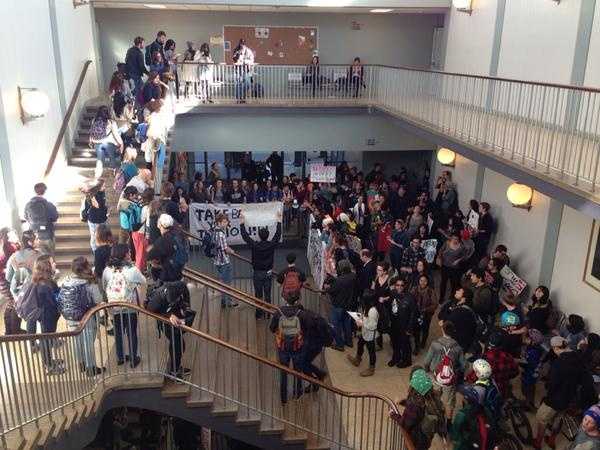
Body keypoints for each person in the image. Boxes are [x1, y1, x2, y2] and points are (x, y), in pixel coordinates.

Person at [534, 336, 597, 449]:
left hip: (554, 400)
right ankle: (552, 440)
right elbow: (586, 379)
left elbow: (552, 384)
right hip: (569, 398)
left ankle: (538, 442)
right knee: (558, 418)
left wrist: (548, 390)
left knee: (541, 418)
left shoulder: (558, 363)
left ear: (555, 348)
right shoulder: (578, 357)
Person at [58, 257, 104, 376]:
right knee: (88, 342)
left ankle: (81, 364)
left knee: (76, 341)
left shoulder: (66, 280)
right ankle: (91, 367)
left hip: (70, 317)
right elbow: (98, 299)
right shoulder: (89, 282)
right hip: (86, 316)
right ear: (86, 267)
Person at [103, 244, 147, 368]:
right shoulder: (131, 270)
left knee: (118, 332)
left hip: (114, 306)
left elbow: (104, 284)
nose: (129, 254)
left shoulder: (107, 270)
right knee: (131, 332)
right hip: (130, 305)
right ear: (125, 255)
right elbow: (143, 280)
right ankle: (133, 359)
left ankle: (120, 357)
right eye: (128, 252)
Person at [19, 255, 63, 374]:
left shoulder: (38, 280)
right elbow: (54, 302)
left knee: (46, 339)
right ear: (46, 267)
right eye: (52, 263)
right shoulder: (45, 285)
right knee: (46, 340)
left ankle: (48, 361)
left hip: (44, 315)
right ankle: (49, 366)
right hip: (47, 315)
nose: (55, 264)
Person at [146, 280, 193, 378]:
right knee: (177, 343)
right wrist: (168, 315)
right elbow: (149, 309)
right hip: (165, 318)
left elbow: (186, 299)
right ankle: (174, 371)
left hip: (176, 315)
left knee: (179, 344)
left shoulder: (182, 286)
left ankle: (175, 368)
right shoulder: (159, 297)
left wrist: (185, 309)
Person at [239, 211, 282, 318]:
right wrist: (279, 221)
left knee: (258, 295)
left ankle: (259, 314)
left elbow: (245, 237)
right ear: (268, 236)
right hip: (268, 273)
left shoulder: (255, 245)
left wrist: (242, 222)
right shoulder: (271, 245)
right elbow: (277, 235)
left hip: (257, 273)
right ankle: (268, 313)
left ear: (259, 235)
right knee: (268, 294)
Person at [393, 368, 447, 450]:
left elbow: (406, 424)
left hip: (416, 439)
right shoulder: (433, 397)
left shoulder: (414, 404)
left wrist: (393, 415)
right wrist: (404, 402)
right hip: (427, 438)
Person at [423, 321, 465, 423]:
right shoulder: (457, 348)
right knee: (449, 402)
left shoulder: (435, 344)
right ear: (453, 331)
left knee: (434, 398)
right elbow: (464, 365)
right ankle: (449, 424)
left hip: (435, 376)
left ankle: (436, 419)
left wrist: (427, 370)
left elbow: (426, 361)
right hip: (450, 379)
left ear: (442, 330)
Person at [269, 291, 306, 403]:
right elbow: (304, 327)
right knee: (298, 370)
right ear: (297, 300)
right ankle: (297, 393)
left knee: (283, 371)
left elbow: (272, 328)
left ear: (285, 300)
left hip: (283, 346)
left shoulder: (279, 312)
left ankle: (283, 397)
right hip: (297, 345)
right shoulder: (301, 312)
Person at [451, 384, 497, 450]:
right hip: (485, 443)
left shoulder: (462, 414)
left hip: (469, 444)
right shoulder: (485, 409)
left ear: (466, 399)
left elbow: (455, 434)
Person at [324, 259, 356, 351]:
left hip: (338, 306)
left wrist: (327, 288)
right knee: (347, 323)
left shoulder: (339, 280)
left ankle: (339, 344)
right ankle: (349, 341)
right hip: (349, 304)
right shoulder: (353, 276)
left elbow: (332, 291)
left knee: (336, 325)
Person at [147, 214, 188, 282]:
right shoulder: (178, 235)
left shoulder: (162, 240)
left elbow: (149, 256)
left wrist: (150, 250)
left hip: (167, 275)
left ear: (160, 225)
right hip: (179, 272)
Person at [347, 289, 379, 377]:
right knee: (360, 344)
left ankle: (371, 368)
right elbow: (366, 318)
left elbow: (373, 326)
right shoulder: (368, 307)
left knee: (371, 351)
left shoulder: (373, 311)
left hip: (370, 335)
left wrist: (361, 323)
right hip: (365, 332)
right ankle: (357, 359)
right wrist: (360, 318)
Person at [438, 287, 477, 354]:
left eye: (459, 291)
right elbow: (440, 314)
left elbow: (444, 322)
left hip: (458, 344)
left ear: (463, 299)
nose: (456, 291)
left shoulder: (462, 312)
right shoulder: (456, 303)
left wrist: (444, 319)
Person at [388, 278, 417, 368]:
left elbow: (413, 314)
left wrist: (409, 328)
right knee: (395, 342)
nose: (399, 287)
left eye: (401, 285)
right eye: (397, 285)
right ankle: (396, 357)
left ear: (405, 286)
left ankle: (407, 360)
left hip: (404, 324)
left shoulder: (410, 297)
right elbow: (389, 305)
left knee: (405, 343)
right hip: (394, 323)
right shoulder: (393, 293)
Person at [89, 105, 124, 179]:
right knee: (112, 158)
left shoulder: (94, 120)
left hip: (97, 143)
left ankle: (97, 175)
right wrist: (121, 143)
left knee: (99, 160)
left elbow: (91, 132)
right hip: (108, 143)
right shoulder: (111, 122)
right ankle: (112, 174)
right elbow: (116, 135)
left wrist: (91, 141)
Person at [24, 183, 58, 256]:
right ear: (45, 191)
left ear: (34, 191)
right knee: (50, 257)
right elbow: (55, 217)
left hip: (34, 237)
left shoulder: (28, 205)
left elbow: (26, 217)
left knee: (37, 258)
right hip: (47, 234)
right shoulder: (49, 205)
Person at [211, 213, 237, 308]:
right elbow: (225, 249)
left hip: (217, 261)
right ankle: (228, 302)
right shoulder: (221, 234)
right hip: (224, 261)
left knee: (222, 282)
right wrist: (232, 251)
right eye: (224, 222)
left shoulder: (214, 231)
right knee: (227, 282)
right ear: (219, 222)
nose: (226, 223)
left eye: (226, 221)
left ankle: (223, 300)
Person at [0, 228, 22, 334]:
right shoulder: (8, 247)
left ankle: (9, 331)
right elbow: (17, 256)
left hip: (2, 281)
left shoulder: (5, 246)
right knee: (15, 303)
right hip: (8, 280)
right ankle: (15, 330)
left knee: (10, 304)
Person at [410, 274, 438, 353]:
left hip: (426, 315)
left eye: (425, 281)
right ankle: (417, 346)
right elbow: (410, 299)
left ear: (427, 282)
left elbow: (435, 304)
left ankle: (423, 342)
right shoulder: (414, 289)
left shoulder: (431, 291)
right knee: (416, 330)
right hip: (416, 314)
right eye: (421, 280)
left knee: (425, 329)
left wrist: (425, 309)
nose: (422, 282)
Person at [81, 178, 108, 252]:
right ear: (98, 187)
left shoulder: (102, 193)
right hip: (95, 220)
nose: (105, 187)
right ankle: (95, 251)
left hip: (102, 218)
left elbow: (102, 205)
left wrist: (106, 211)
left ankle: (101, 250)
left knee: (102, 235)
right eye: (103, 186)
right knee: (94, 237)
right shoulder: (93, 196)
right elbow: (98, 206)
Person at [438, 234, 467, 301]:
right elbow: (440, 251)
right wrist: (440, 257)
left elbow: (464, 256)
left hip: (455, 269)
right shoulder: (447, 243)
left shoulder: (461, 247)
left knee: (453, 284)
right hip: (445, 267)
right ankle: (441, 298)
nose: (454, 240)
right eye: (453, 238)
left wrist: (458, 260)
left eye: (456, 239)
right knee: (443, 283)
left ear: (459, 240)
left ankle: (451, 298)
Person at [521, 328, 545, 410]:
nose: (524, 339)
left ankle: (529, 404)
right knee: (529, 388)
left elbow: (528, 363)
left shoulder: (533, 352)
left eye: (527, 338)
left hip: (530, 374)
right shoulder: (534, 348)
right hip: (531, 373)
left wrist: (518, 361)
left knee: (528, 388)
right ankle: (529, 402)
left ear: (533, 341)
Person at [232, 38, 254, 103]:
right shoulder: (236, 50)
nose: (242, 45)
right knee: (238, 84)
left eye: (243, 44)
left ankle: (243, 97)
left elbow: (252, 60)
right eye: (241, 44)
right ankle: (239, 99)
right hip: (238, 70)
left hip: (246, 70)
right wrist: (238, 55)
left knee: (247, 84)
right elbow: (234, 59)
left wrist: (245, 61)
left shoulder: (248, 51)